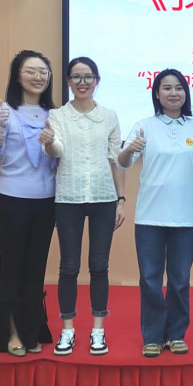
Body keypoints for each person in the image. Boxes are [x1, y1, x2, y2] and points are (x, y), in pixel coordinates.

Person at [118, 69, 193, 358]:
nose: (173, 93)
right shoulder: (144, 126)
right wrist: (129, 149)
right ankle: (153, 336)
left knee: (180, 280)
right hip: (149, 216)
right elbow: (122, 162)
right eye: (166, 88)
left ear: (186, 93)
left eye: (179, 87)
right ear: (157, 94)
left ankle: (176, 334)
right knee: (150, 279)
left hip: (186, 217)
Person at [40, 56, 125, 356]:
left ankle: (98, 330)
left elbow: (116, 160)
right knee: (69, 266)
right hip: (68, 199)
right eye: (76, 77)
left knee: (99, 266)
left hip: (104, 198)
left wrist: (121, 199)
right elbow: (57, 151)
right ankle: (68, 330)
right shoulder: (58, 116)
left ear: (97, 80)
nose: (82, 82)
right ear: (68, 82)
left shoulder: (109, 116)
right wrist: (48, 141)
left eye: (88, 76)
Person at [0, 50, 57, 356]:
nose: (38, 77)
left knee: (36, 267)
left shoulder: (54, 114)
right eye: (31, 71)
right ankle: (11, 332)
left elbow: (59, 160)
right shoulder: (4, 110)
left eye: (43, 72)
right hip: (12, 197)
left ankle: (31, 329)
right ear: (17, 75)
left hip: (47, 201)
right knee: (12, 266)